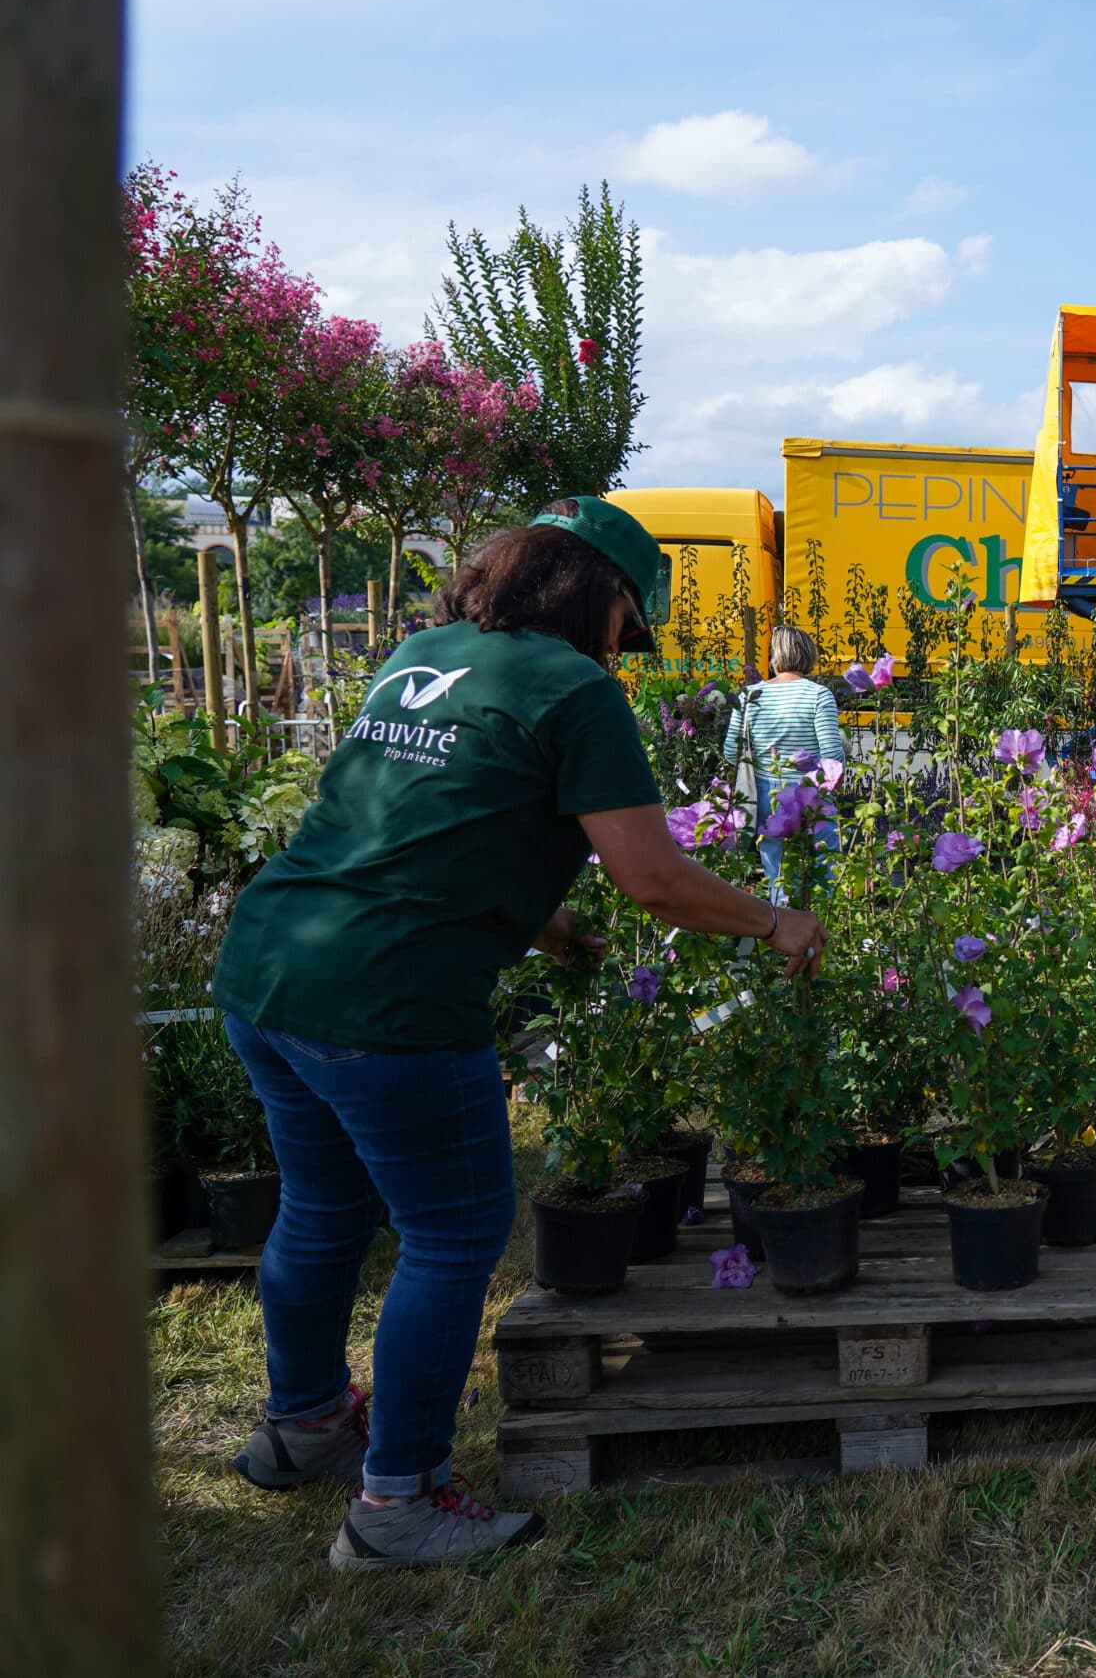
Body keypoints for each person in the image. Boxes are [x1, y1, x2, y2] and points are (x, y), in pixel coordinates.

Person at [211, 497, 828, 1571]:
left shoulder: (419, 653)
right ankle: (397, 1501)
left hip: (269, 961)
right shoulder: (574, 688)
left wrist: (539, 924)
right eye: (626, 626)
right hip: (390, 1002)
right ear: (599, 597)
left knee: (321, 1205)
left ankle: (303, 1425)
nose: (620, 651)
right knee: (452, 1233)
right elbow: (652, 877)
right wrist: (774, 919)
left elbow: (410, 817)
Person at [723, 625, 847, 890]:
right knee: (824, 875)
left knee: (778, 876)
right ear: (809, 655)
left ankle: (782, 925)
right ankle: (824, 927)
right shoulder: (818, 695)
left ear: (774, 657)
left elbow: (731, 752)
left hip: (766, 795)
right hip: (811, 795)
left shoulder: (748, 695)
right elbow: (832, 756)